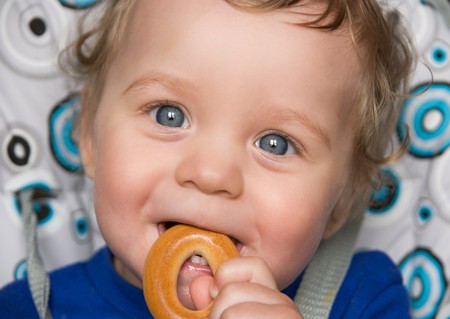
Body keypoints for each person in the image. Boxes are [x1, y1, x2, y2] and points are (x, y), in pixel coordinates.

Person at [0, 0, 415, 318]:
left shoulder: (364, 298)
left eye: (276, 143)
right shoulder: (32, 308)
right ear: (88, 135)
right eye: (169, 115)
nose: (211, 174)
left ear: (343, 198)